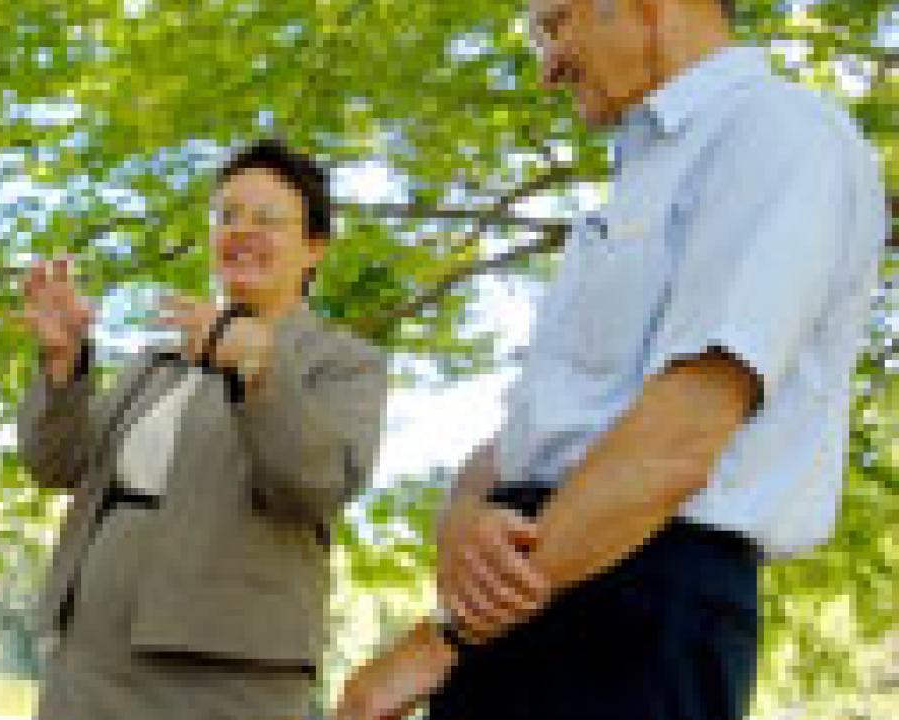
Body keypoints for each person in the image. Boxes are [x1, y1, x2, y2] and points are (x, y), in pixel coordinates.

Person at [336, 1, 887, 718]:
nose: (547, 67)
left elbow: (677, 442)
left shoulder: (779, 135)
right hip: (527, 602)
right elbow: (528, 439)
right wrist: (463, 517)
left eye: (555, 23)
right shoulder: (639, 182)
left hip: (635, 618)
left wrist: (440, 642)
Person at [18, 139, 388, 720]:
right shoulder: (157, 365)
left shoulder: (342, 363)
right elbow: (54, 464)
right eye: (227, 216)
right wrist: (64, 365)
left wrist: (258, 368)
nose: (241, 231)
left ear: (314, 248)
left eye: (266, 220)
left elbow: (313, 483)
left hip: (229, 674)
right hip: (90, 661)